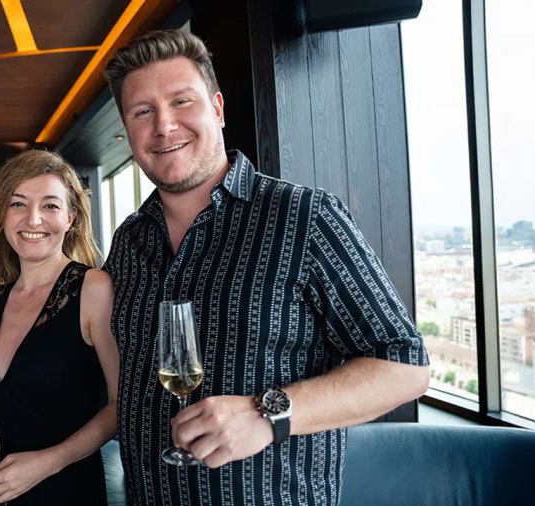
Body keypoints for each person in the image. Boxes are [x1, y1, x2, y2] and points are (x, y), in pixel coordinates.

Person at [101, 30, 430, 505]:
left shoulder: (305, 216)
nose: (164, 125)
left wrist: (267, 413)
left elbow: (405, 367)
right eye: (143, 112)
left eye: (181, 102)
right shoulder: (128, 241)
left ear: (217, 108)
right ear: (128, 129)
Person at [0, 150, 119, 505]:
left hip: (69, 492)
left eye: (50, 206)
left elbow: (120, 406)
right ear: (2, 215)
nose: (33, 218)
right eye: (18, 204)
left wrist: (47, 463)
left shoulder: (94, 288)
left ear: (71, 218)